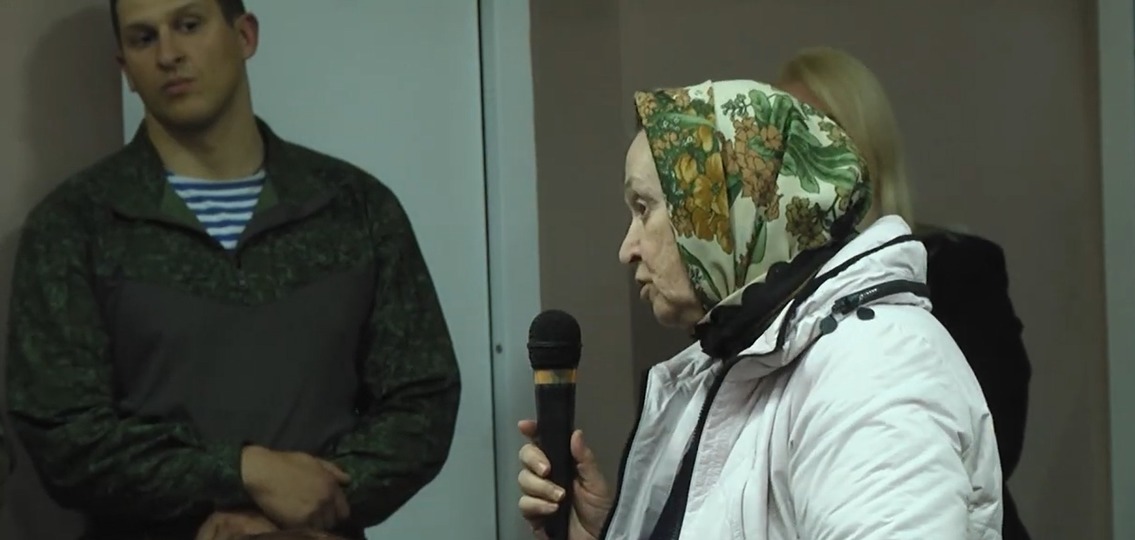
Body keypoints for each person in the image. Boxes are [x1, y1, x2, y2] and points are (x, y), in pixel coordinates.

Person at [3, 0, 461, 538]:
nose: (168, 54)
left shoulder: (353, 207)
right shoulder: (75, 224)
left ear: (244, 36)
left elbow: (421, 401)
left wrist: (311, 499)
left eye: (188, 25)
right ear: (125, 68)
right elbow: (63, 433)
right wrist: (242, 473)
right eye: (144, 38)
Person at [516, 79, 1002, 539]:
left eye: (644, 208)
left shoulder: (875, 367)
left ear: (725, 206)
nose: (628, 249)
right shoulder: (739, 362)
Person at [776, 45, 1033, 540]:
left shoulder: (958, 270)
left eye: (818, 131)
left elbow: (996, 437)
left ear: (865, 147)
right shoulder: (765, 294)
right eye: (782, 137)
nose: (795, 158)